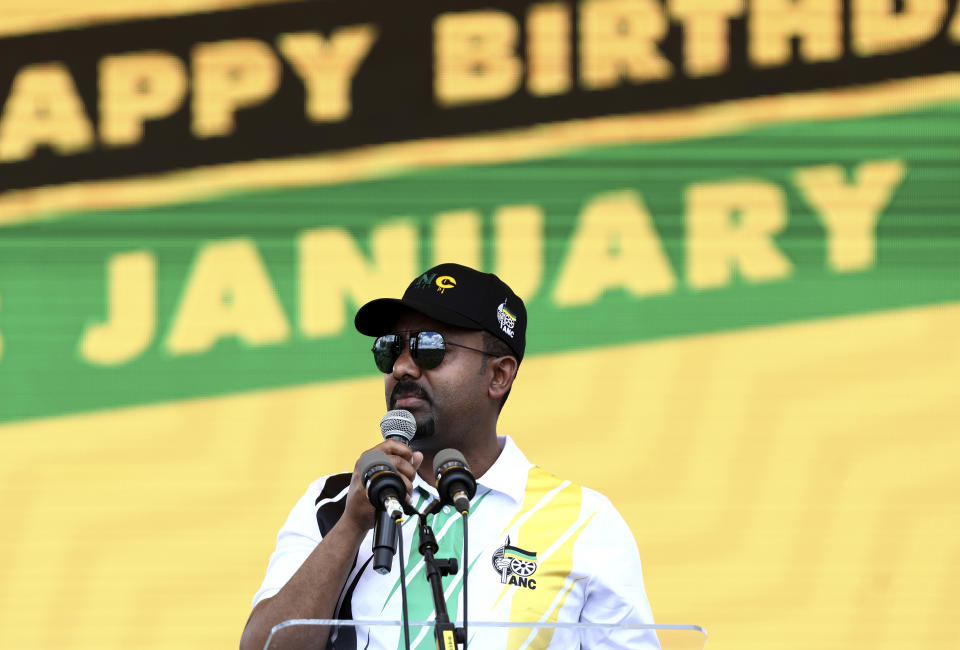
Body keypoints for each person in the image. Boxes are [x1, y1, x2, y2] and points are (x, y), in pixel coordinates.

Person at [240, 263, 657, 650]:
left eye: (429, 347)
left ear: (499, 375)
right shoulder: (335, 502)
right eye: (391, 348)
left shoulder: (585, 522)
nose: (402, 367)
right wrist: (352, 526)